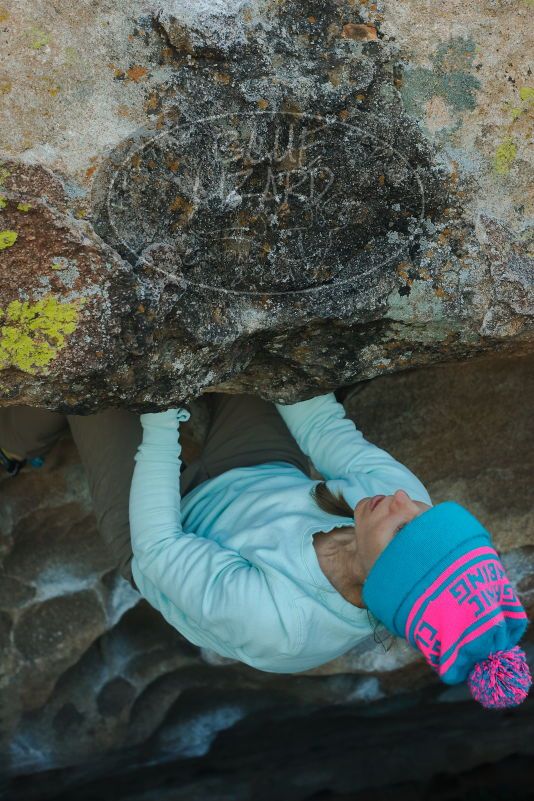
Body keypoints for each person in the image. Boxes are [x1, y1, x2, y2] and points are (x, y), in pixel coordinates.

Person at [1, 392, 530, 708]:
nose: (400, 501)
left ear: (380, 582)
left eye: (403, 527)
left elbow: (162, 546)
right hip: (258, 474)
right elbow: (322, 426)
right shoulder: (402, 508)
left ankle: (10, 444)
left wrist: (159, 419)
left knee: (96, 393)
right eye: (426, 514)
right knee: (243, 351)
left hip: (168, 539)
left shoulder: (280, 628)